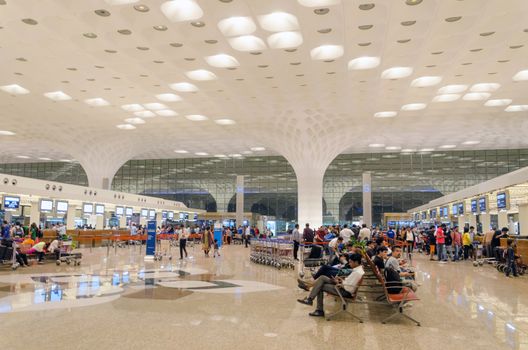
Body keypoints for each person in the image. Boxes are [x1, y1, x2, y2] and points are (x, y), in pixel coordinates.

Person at [297, 253, 364, 317]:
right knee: (322, 277)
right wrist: (340, 281)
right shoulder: (358, 270)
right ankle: (310, 299)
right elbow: (349, 283)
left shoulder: (357, 273)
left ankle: (317, 308)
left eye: (351, 262)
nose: (349, 263)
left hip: (344, 291)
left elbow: (349, 289)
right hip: (343, 286)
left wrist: (339, 283)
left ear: (356, 262)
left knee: (320, 286)